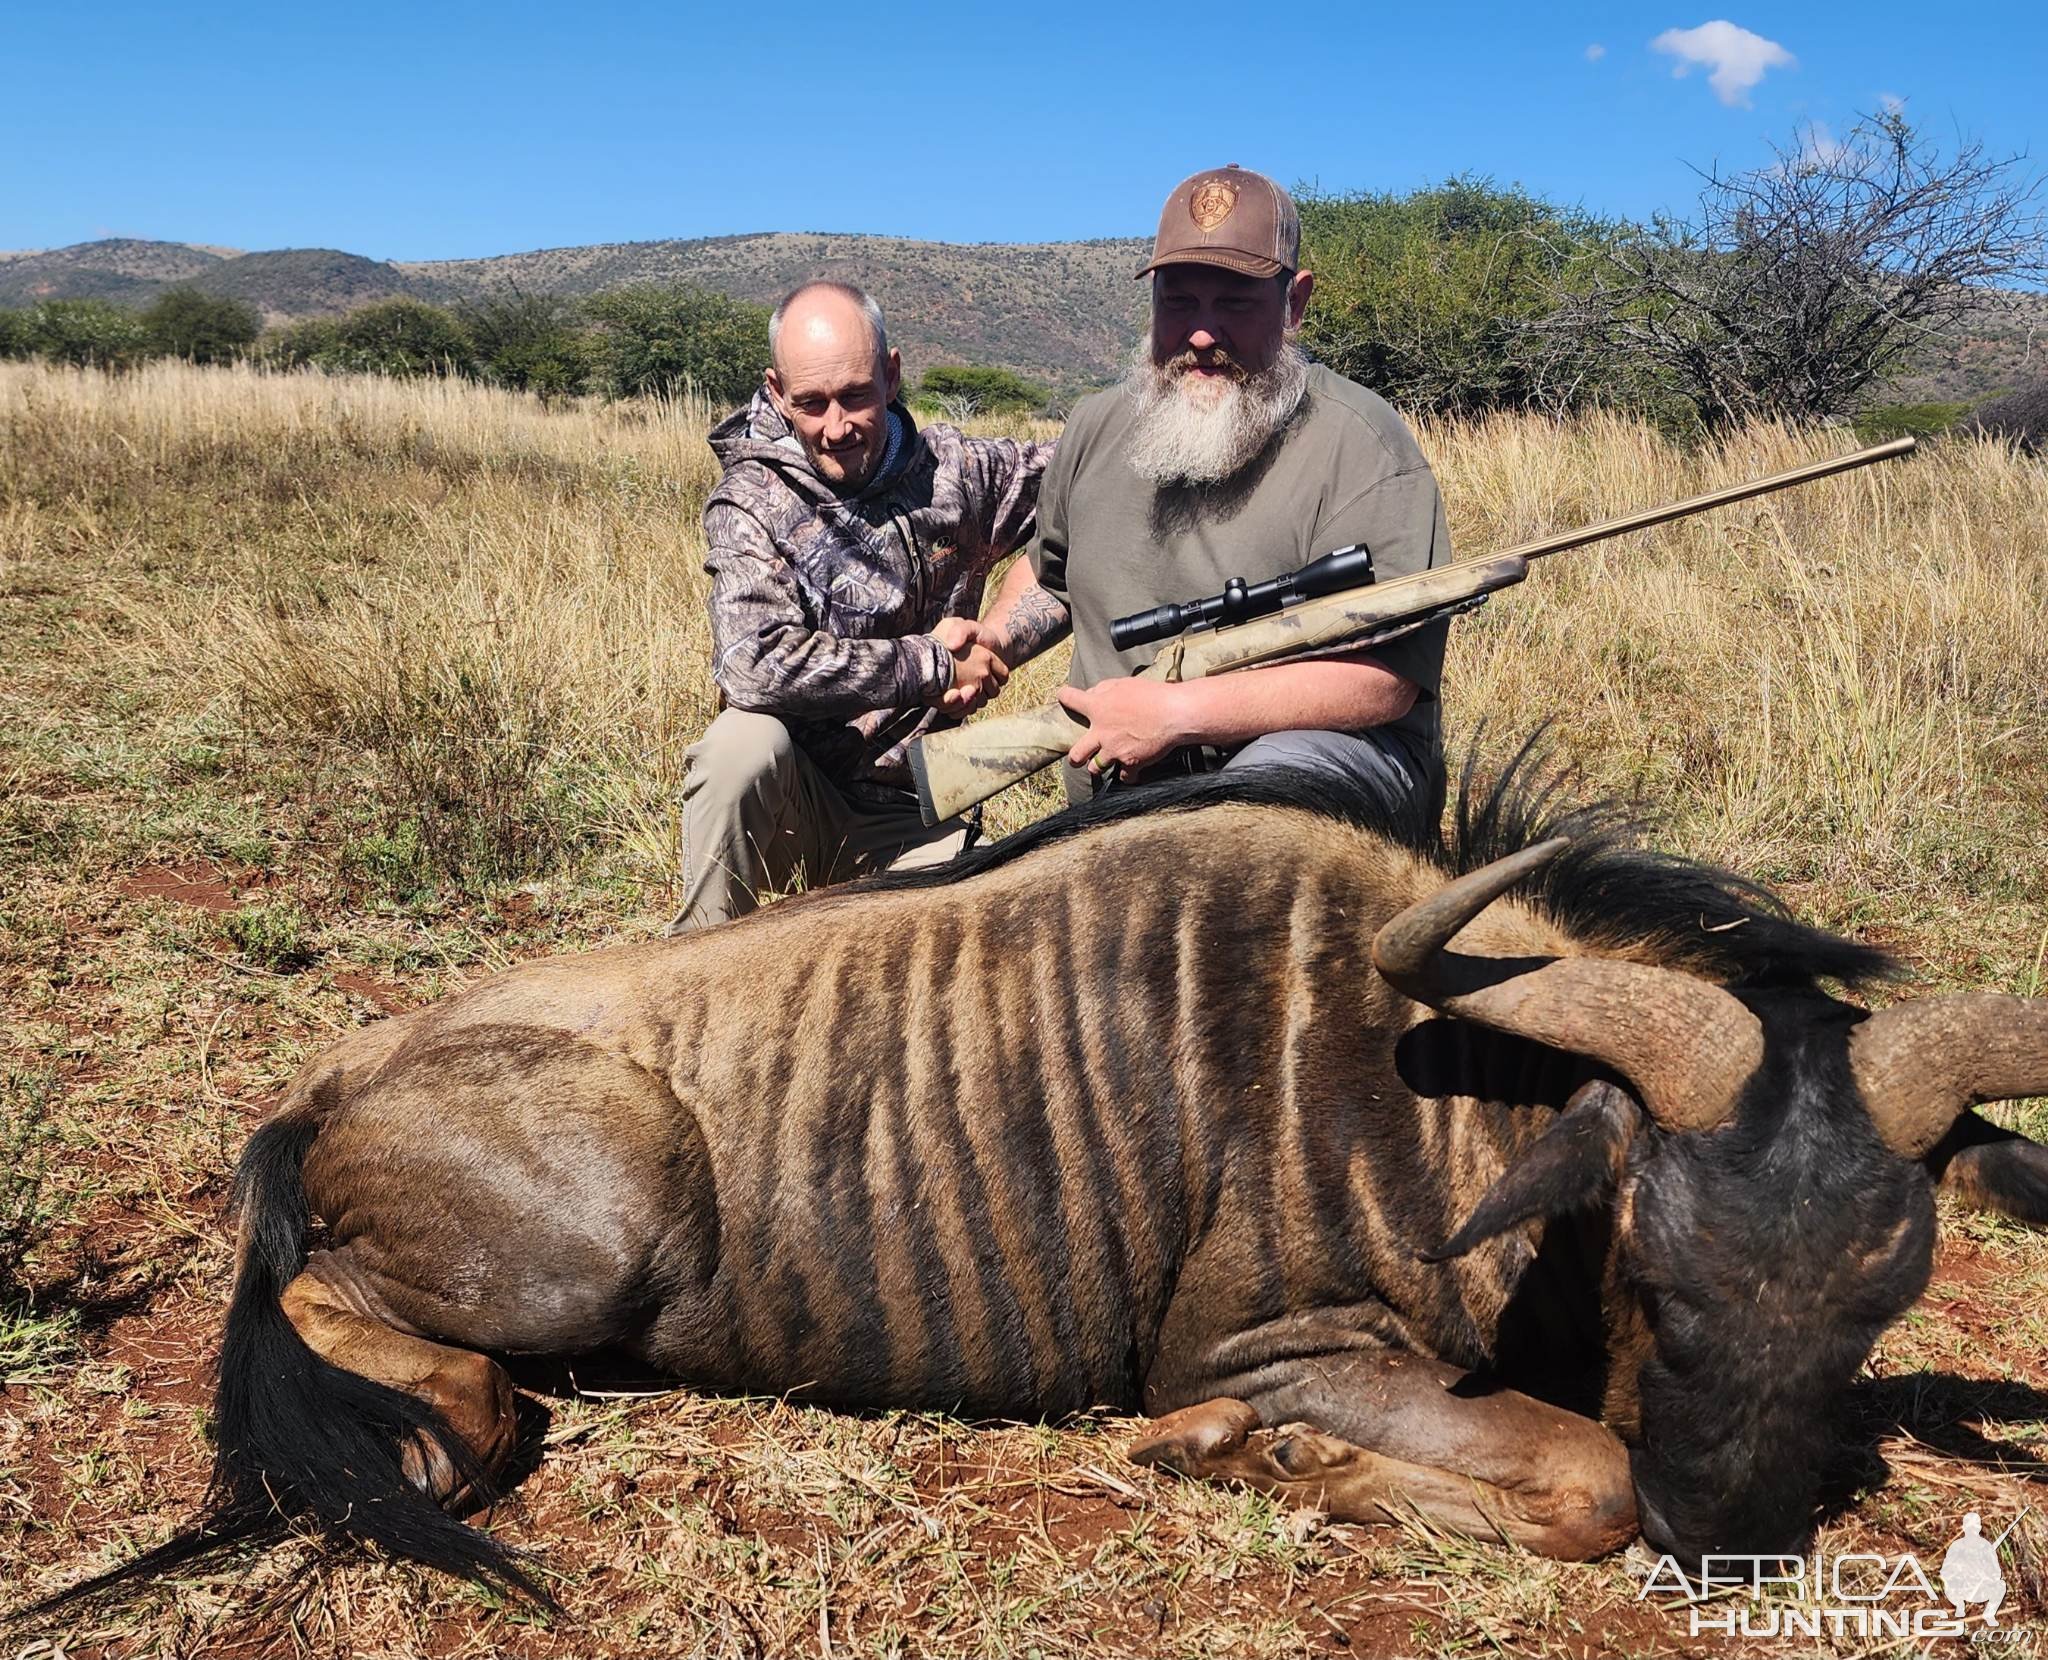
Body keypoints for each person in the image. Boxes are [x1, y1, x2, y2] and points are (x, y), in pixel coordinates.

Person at [982, 165, 1453, 812]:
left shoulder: (1364, 443)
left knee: (1274, 777)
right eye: (1179, 302)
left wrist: (1178, 712)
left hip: (1307, 795)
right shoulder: (1096, 424)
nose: (1202, 334)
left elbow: (1387, 682)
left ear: (1296, 303)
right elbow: (1050, 575)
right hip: (1116, 802)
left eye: (1234, 302)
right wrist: (988, 648)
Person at [671, 281, 1049, 931]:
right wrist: (934, 667)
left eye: (856, 396)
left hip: (912, 809)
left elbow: (1088, 482)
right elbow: (752, 666)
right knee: (740, 745)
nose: (837, 427)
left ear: (892, 374)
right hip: (795, 808)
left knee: (994, 939)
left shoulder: (962, 474)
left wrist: (1001, 636)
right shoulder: (749, 499)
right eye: (811, 404)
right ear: (776, 390)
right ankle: (696, 966)